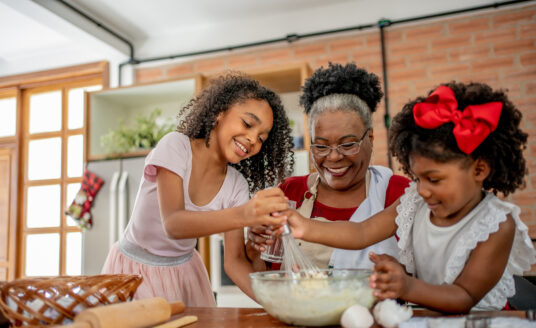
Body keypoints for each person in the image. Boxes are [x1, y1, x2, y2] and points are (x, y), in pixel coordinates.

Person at [286, 81, 536, 312]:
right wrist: (304, 227)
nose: (422, 189)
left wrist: (407, 286)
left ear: (479, 170)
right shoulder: (416, 201)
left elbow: (464, 296)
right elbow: (361, 233)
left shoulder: (496, 224)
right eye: (418, 178)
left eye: (434, 179)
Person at [101, 73, 294, 307]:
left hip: (185, 274)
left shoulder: (236, 185)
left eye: (262, 138)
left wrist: (280, 305)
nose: (253, 139)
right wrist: (246, 213)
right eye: (247, 123)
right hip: (134, 271)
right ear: (219, 113)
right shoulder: (175, 146)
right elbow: (173, 224)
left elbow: (234, 263)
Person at [231, 63, 410, 299]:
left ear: (371, 138)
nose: (334, 156)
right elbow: (267, 281)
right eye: (321, 146)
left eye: (347, 144)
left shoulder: (397, 194)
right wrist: (254, 248)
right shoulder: (289, 193)